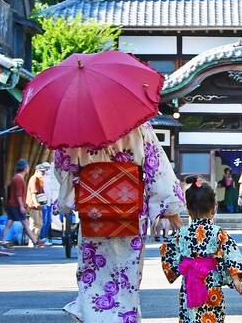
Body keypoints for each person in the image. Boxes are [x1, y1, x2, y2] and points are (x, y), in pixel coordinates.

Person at [55, 122, 186, 322]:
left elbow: (62, 168)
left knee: (94, 272)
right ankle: (125, 316)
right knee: (126, 275)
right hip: (129, 209)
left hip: (93, 209)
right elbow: (156, 167)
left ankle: (93, 315)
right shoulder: (138, 124)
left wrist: (76, 190)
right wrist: (169, 209)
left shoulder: (75, 126)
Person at [161, 180, 242, 323]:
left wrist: (177, 268)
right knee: (212, 316)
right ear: (213, 209)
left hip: (189, 283)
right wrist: (236, 279)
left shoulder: (181, 234)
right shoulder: (218, 232)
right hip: (211, 283)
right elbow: (230, 253)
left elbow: (168, 252)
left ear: (188, 210)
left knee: (190, 315)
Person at [1, 159, 41, 249]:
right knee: (25, 224)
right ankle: (35, 242)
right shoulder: (19, 179)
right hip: (16, 205)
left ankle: (2, 242)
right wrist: (21, 206)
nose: (28, 168)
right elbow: (18, 194)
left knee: (9, 224)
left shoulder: (16, 177)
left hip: (12, 204)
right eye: (27, 166)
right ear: (25, 168)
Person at [25, 163, 48, 245]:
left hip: (38, 205)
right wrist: (36, 203)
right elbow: (33, 193)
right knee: (34, 224)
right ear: (37, 171)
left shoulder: (39, 179)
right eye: (42, 172)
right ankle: (32, 242)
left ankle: (34, 241)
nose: (43, 173)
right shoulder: (34, 178)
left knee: (39, 224)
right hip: (34, 205)